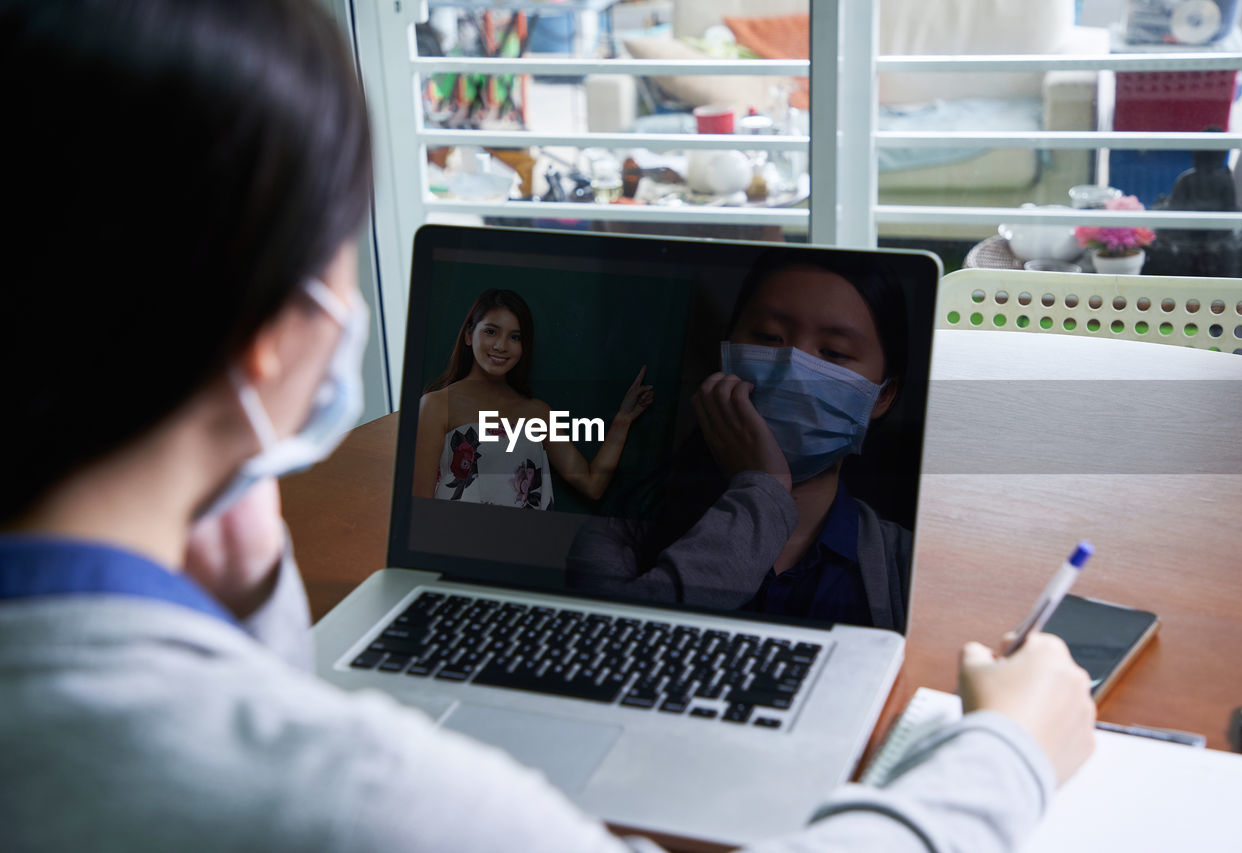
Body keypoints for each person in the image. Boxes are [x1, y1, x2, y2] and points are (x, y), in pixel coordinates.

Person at [0, 1, 1096, 851]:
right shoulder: (372, 799)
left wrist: (252, 597)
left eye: (835, 352)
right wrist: (1005, 750)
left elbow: (579, 470)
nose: (793, 368)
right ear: (272, 336)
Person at [568, 252, 914, 632]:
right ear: (727, 354)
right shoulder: (621, 536)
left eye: (833, 353)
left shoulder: (906, 565)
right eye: (768, 338)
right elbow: (610, 647)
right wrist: (763, 490)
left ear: (882, 395)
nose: (790, 371)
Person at [411, 289, 654, 508]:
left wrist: (623, 420)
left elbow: (592, 485)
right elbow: (419, 506)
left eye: (515, 337)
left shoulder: (538, 412)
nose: (501, 345)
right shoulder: (436, 405)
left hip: (524, 546)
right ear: (468, 335)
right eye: (491, 331)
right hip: (456, 545)